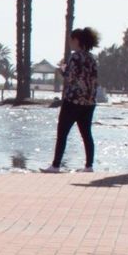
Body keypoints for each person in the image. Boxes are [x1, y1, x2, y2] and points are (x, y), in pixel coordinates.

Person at [43, 27, 100, 173]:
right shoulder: (92, 58)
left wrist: (62, 69)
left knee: (62, 133)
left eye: (71, 40)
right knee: (86, 134)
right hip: (89, 102)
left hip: (73, 100)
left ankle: (56, 165)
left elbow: (70, 77)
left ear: (76, 40)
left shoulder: (75, 57)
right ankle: (89, 166)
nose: (70, 43)